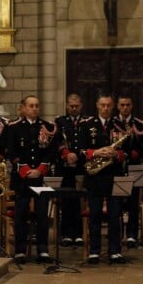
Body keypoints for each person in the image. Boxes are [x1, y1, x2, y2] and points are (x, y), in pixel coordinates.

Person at [4, 95, 59, 264]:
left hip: (41, 178)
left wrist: (41, 169)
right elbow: (8, 150)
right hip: (22, 178)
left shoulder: (48, 127)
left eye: (37, 105)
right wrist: (25, 169)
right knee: (21, 214)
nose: (35, 108)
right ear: (24, 108)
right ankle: (20, 250)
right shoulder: (13, 127)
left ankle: (42, 249)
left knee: (42, 214)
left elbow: (53, 151)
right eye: (31, 106)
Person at [79, 93, 130, 264]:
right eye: (103, 105)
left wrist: (117, 153)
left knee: (115, 215)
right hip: (95, 176)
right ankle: (94, 251)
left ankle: (115, 251)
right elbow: (79, 150)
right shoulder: (86, 125)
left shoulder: (120, 125)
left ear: (113, 106)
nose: (106, 108)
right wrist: (95, 152)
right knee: (95, 215)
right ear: (97, 105)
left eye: (109, 105)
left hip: (114, 175)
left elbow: (130, 151)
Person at [114, 94, 143, 248]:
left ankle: (132, 235)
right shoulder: (112, 123)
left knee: (134, 203)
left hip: (134, 168)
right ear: (118, 106)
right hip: (117, 167)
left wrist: (138, 152)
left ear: (132, 106)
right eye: (122, 105)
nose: (125, 107)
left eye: (128, 104)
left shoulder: (139, 124)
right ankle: (117, 233)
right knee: (117, 203)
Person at [55, 93, 85, 247]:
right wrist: (66, 154)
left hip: (81, 166)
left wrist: (77, 155)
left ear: (81, 105)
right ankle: (66, 234)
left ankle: (79, 233)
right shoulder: (60, 121)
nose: (74, 108)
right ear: (67, 106)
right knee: (66, 200)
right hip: (65, 167)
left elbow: (87, 141)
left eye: (76, 106)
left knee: (79, 200)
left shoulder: (87, 121)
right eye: (71, 106)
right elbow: (57, 141)